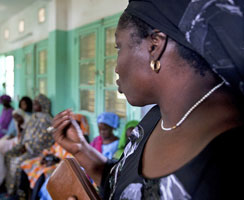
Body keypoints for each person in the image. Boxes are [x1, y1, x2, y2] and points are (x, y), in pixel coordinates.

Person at [51, 0, 244, 199]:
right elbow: (123, 185)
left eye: (119, 48)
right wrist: (82, 149)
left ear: (154, 45)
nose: (116, 68)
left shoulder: (226, 162)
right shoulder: (158, 117)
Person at [5, 94, 54, 198]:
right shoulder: (33, 117)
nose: (34, 105)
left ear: (43, 105)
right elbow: (25, 133)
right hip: (25, 146)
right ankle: (9, 188)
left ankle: (18, 193)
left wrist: (27, 147)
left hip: (36, 150)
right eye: (34, 103)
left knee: (17, 161)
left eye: (37, 103)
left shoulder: (47, 120)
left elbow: (44, 139)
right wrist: (22, 145)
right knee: (8, 155)